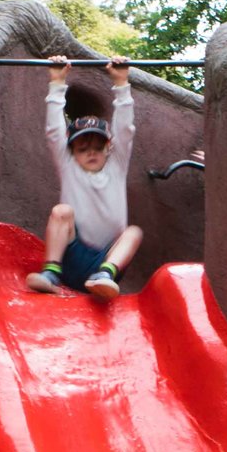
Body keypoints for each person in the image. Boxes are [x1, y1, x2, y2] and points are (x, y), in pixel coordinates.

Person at [25, 55, 142, 300]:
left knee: (133, 232)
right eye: (82, 148)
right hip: (72, 259)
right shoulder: (69, 167)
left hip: (106, 262)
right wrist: (57, 82)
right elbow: (54, 132)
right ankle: (51, 272)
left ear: (108, 148)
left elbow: (125, 131)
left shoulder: (116, 166)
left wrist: (122, 84)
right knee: (61, 211)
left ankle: (104, 276)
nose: (91, 152)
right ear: (71, 152)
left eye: (97, 147)